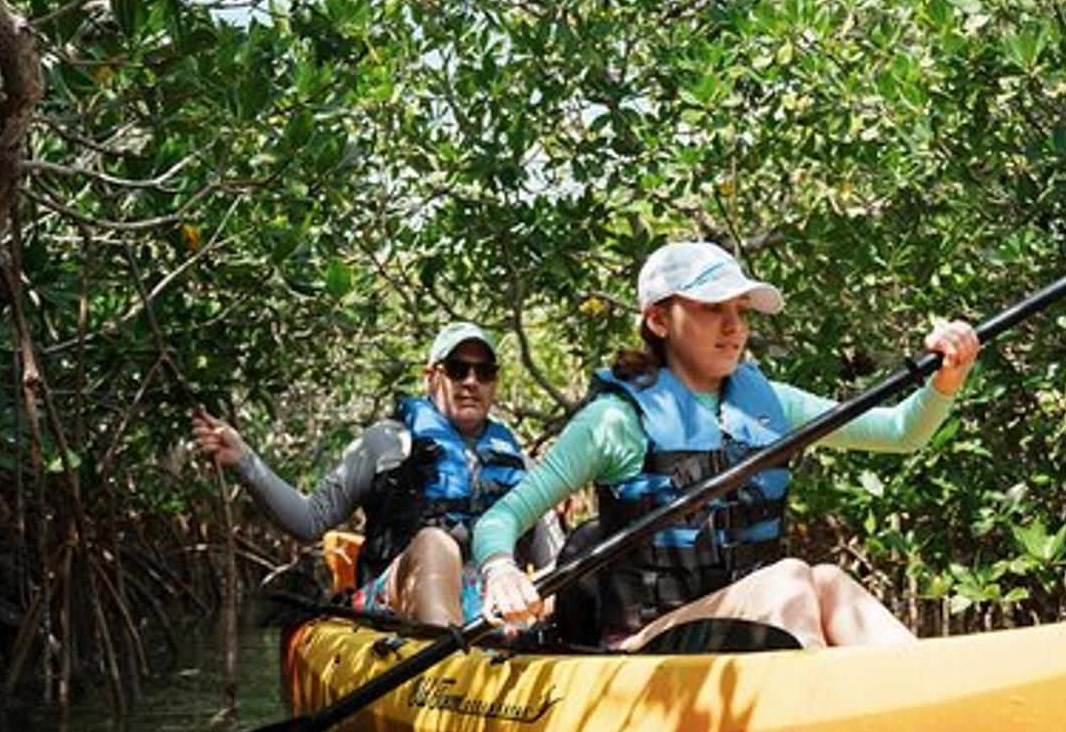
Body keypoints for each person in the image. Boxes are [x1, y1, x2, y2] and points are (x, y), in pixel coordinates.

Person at [473, 241, 979, 650]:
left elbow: (901, 432)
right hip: (645, 650)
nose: (735, 326)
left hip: (741, 637)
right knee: (792, 580)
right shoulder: (616, 421)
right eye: (712, 308)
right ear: (657, 320)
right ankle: (819, 723)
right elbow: (500, 519)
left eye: (740, 310)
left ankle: (935, 696)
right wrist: (500, 571)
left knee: (827, 581)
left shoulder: (769, 403)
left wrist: (947, 378)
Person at [191, 321, 561, 625]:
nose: (470, 381)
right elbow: (310, 520)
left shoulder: (520, 463)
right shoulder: (385, 442)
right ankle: (448, 676)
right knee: (435, 544)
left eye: (483, 372)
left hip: (493, 603)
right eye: (457, 369)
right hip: (400, 599)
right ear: (431, 377)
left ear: (494, 383)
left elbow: (557, 565)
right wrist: (244, 460)